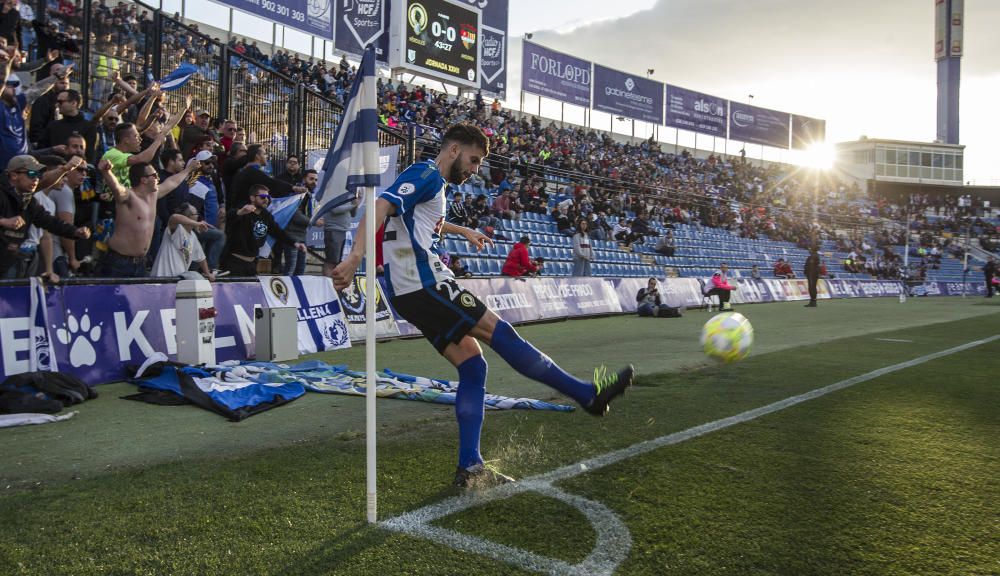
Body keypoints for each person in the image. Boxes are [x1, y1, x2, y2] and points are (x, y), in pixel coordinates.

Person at [329, 124, 633, 488]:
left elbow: (420, 221)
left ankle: (470, 469)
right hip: (426, 284)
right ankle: (587, 395)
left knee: (473, 367)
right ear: (454, 149)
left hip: (407, 293)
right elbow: (380, 205)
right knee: (501, 333)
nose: (475, 170)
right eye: (473, 161)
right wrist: (354, 257)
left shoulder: (431, 186)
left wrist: (463, 231)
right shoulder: (425, 173)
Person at [96, 156, 198, 277]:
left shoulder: (153, 195)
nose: (158, 178)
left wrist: (188, 169)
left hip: (140, 264)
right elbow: (117, 189)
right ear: (144, 180)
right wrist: (106, 172)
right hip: (119, 263)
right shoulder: (129, 196)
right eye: (154, 175)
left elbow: (172, 182)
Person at [0, 155, 90, 278]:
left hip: (10, 261)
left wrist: (75, 231)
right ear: (14, 175)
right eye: (31, 174)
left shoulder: (28, 199)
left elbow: (49, 222)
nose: (36, 179)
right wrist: (3, 221)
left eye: (38, 174)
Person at [221, 184, 305, 276]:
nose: (266, 199)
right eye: (263, 197)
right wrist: (240, 212)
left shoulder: (266, 215)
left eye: (268, 197)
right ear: (252, 198)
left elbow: (277, 232)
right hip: (235, 263)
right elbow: (229, 217)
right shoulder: (243, 211)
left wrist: (294, 243)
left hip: (252, 263)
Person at [150, 202, 214, 280]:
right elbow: (174, 217)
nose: (198, 216)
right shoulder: (177, 228)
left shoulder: (193, 236)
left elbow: (201, 258)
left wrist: (208, 274)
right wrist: (197, 223)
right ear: (188, 217)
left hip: (177, 281)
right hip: (161, 278)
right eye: (196, 214)